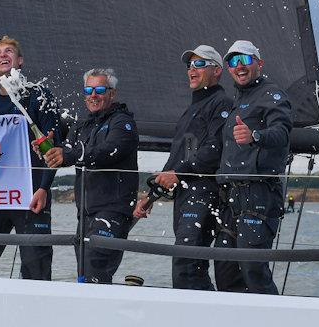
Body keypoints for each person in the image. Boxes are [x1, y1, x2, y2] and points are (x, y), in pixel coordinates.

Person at [133, 45, 232, 291]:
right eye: (190, 65)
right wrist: (151, 196)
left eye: (200, 64)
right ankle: (197, 317)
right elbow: (179, 156)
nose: (192, 70)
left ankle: (200, 318)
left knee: (187, 263)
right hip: (186, 194)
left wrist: (178, 174)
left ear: (217, 71)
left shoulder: (221, 102)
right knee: (187, 265)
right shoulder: (192, 109)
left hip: (205, 193)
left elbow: (214, 150)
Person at [0, 36, 60, 280]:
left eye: (9, 51)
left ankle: (36, 315)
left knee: (35, 264)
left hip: (31, 193)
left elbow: (54, 147)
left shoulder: (40, 96)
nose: (3, 54)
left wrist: (44, 187)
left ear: (19, 61)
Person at [42, 68, 138, 283]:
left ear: (112, 93)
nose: (93, 95)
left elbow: (109, 151)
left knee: (96, 272)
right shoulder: (82, 125)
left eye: (100, 89)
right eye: (88, 90)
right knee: (84, 277)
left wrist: (69, 155)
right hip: (85, 213)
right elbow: (66, 151)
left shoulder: (123, 123)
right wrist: (47, 148)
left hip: (112, 211)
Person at [215, 40, 292, 294]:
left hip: (259, 193)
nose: (239, 66)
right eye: (233, 62)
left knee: (253, 269)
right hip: (230, 195)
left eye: (245, 60)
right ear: (227, 69)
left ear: (259, 63)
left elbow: (282, 133)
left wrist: (255, 136)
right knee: (226, 270)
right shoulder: (237, 99)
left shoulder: (272, 94)